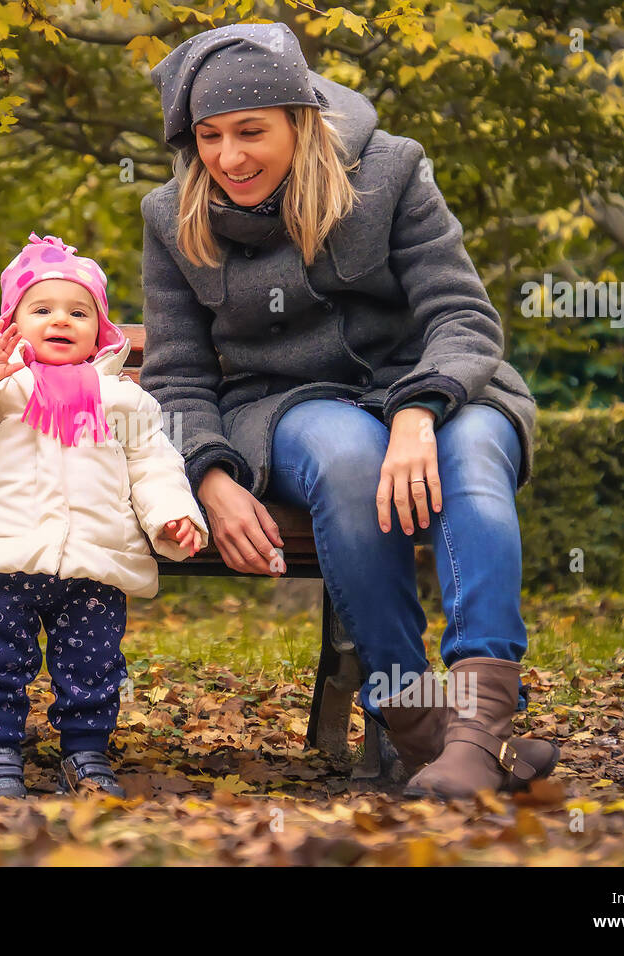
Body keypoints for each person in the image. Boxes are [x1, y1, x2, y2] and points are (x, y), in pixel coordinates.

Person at [140, 23, 559, 798]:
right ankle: (424, 725)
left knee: (470, 460)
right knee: (346, 459)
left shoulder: (392, 170)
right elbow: (176, 379)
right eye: (209, 137)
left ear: (299, 119)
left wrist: (418, 411)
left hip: (435, 388)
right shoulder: (173, 217)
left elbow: (462, 317)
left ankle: (474, 726)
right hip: (286, 408)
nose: (229, 158)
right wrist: (210, 476)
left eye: (251, 132)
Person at [0, 232, 209, 799]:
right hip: (4, 556)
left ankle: (85, 753)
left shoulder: (123, 399)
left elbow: (154, 464)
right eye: (42, 309)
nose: (61, 320)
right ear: (13, 322)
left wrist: (173, 515)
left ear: (99, 330)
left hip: (95, 563)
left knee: (93, 670)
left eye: (79, 312)